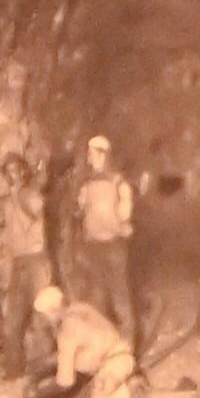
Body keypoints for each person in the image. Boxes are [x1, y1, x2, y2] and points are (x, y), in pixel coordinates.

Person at [27, 286, 139, 398]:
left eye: (44, 316)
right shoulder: (81, 308)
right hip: (123, 360)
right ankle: (124, 387)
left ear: (54, 311)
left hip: (112, 368)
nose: (43, 321)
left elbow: (65, 382)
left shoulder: (67, 331)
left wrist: (38, 394)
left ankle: (128, 397)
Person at [0, 154, 53, 377]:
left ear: (24, 171)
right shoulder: (8, 200)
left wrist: (24, 193)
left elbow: (38, 208)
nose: (13, 174)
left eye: (16, 169)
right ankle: (14, 371)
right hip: (18, 263)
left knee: (45, 314)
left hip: (36, 259)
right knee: (12, 321)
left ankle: (58, 367)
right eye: (8, 171)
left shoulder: (29, 194)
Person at [70, 134, 138, 343]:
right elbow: (79, 211)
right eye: (89, 154)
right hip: (94, 245)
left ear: (104, 155)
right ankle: (102, 345)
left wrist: (118, 224)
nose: (90, 158)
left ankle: (128, 344)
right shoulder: (87, 184)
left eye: (94, 154)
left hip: (113, 245)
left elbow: (125, 213)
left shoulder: (119, 182)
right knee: (97, 297)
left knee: (119, 294)